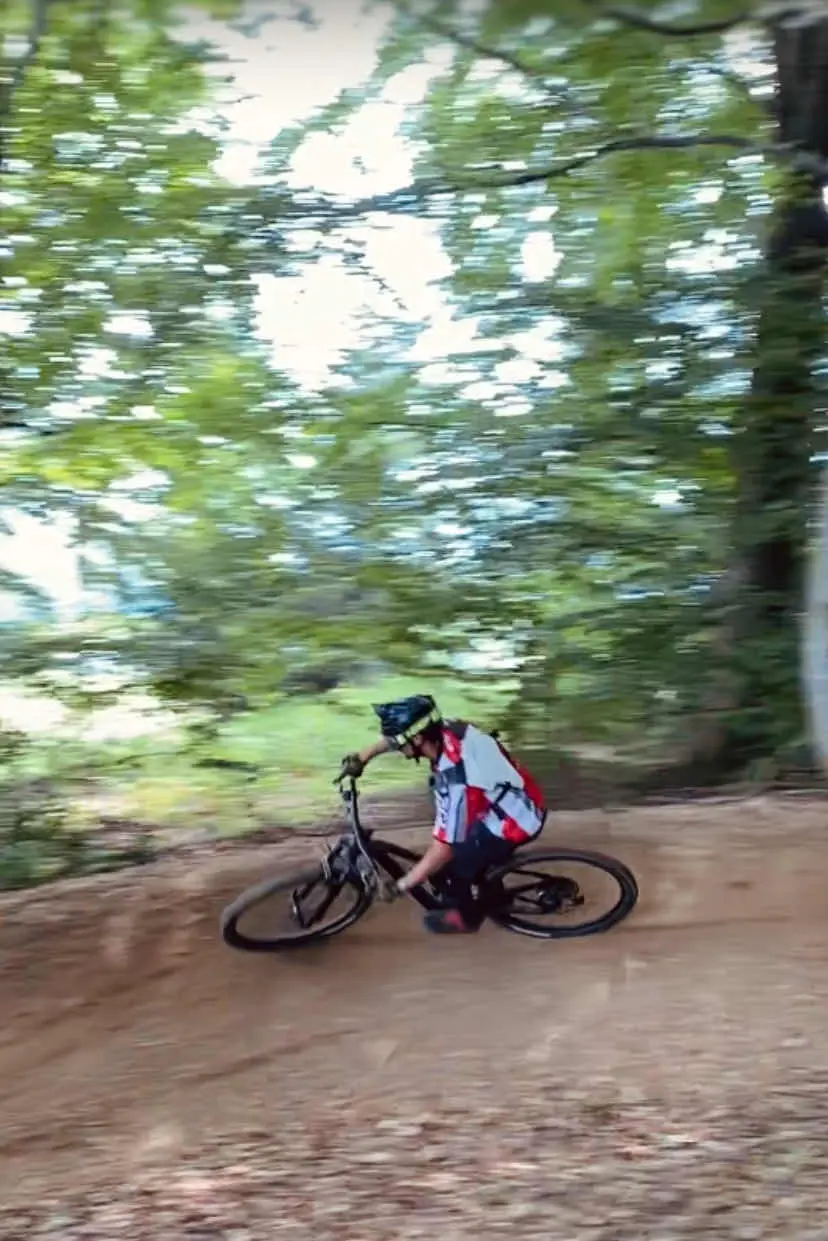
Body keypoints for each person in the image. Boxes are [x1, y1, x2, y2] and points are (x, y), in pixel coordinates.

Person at [340, 693, 546, 935]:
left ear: (417, 739)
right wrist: (362, 758)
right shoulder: (443, 729)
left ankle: (467, 919)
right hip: (509, 795)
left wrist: (402, 885)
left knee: (455, 867)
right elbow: (396, 738)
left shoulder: (457, 779)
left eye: (399, 745)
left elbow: (444, 848)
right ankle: (492, 887)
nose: (397, 749)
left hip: (515, 819)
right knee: (457, 855)